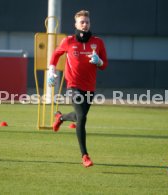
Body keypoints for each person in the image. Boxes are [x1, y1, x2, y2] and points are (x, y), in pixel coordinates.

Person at [47, 10, 108, 168]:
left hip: (90, 88)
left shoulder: (98, 42)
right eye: (82, 22)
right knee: (82, 118)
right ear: (76, 24)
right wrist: (52, 72)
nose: (85, 24)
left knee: (79, 116)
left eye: (87, 21)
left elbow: (105, 65)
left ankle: (60, 118)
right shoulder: (68, 41)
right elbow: (55, 55)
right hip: (73, 85)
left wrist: (99, 61)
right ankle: (85, 156)